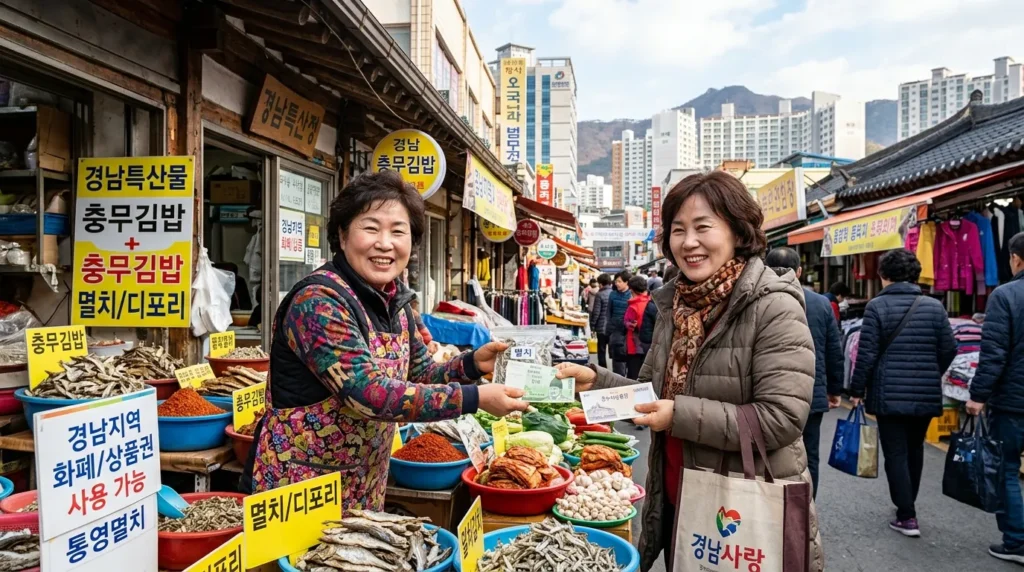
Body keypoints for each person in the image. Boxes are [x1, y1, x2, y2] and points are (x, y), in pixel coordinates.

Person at [554, 171, 821, 571]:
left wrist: (678, 416)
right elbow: (651, 395)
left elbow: (782, 419)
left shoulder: (773, 306)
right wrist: (597, 381)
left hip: (740, 502)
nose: (688, 242)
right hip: (681, 494)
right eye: (678, 230)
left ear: (737, 231)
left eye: (703, 227)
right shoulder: (677, 305)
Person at [243, 171, 529, 508]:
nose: (385, 243)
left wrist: (472, 364)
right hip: (300, 488)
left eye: (398, 231)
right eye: (371, 227)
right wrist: (474, 398)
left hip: (363, 482)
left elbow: (421, 374)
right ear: (342, 234)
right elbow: (368, 394)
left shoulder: (394, 302)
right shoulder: (319, 301)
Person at [849, 248, 955, 538]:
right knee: (914, 448)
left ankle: (907, 515)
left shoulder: (876, 307)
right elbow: (950, 348)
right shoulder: (934, 307)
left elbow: (866, 354)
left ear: (883, 276)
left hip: (888, 395)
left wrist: (856, 390)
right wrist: (932, 372)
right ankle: (908, 506)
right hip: (925, 393)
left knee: (895, 452)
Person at [765, 247, 843, 498]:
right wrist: (834, 390)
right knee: (810, 454)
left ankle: (774, 505)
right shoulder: (821, 304)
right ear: (798, 271)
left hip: (768, 393)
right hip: (811, 392)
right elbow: (834, 350)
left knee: (771, 452)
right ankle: (807, 507)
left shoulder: (756, 298)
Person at [967, 232, 1024, 565]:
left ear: (1015, 258)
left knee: (1006, 469)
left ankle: (1017, 540)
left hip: (1013, 401)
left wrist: (978, 395)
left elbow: (994, 353)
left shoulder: (1005, 296)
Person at [624, 275, 656, 379]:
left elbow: (629, 324)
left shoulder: (633, 306)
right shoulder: (652, 302)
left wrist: (629, 324)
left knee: (634, 377)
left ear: (632, 290)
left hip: (635, 346)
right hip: (650, 347)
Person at [607, 270, 633, 377]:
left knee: (628, 359)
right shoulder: (612, 294)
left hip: (628, 332)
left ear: (627, 282)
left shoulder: (631, 295)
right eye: (616, 281)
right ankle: (618, 381)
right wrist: (608, 328)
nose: (616, 283)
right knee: (617, 360)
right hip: (615, 331)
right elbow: (608, 312)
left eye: (619, 281)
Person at [589, 274, 613, 368]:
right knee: (612, 350)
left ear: (601, 283)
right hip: (611, 328)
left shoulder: (599, 294)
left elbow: (596, 312)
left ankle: (603, 370)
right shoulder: (614, 293)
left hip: (601, 327)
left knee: (601, 350)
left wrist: (592, 326)